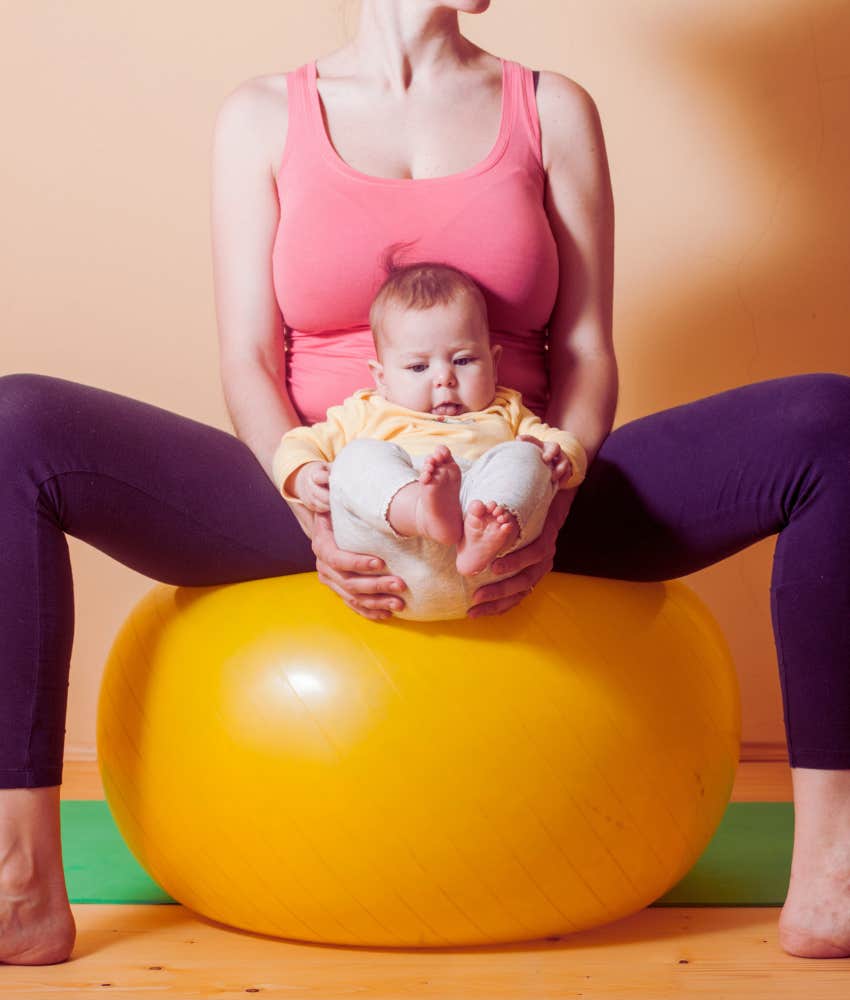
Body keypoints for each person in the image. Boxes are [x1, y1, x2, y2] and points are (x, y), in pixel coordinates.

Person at [0, 0, 848, 966]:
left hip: (516, 481)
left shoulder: (551, 107)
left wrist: (551, 502)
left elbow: (583, 349)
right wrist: (309, 494)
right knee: (16, 422)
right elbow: (246, 357)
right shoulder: (262, 117)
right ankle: (20, 886)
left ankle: (836, 877)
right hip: (326, 483)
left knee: (829, 421)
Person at [274, 255, 588, 619]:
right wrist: (304, 474)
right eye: (418, 367)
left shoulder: (506, 409)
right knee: (357, 456)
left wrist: (557, 456)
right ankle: (422, 510)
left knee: (527, 456)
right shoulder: (365, 410)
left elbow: (564, 445)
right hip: (389, 556)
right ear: (381, 378)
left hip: (489, 554)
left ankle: (477, 535)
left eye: (464, 360)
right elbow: (295, 445)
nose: (444, 378)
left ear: (494, 361)